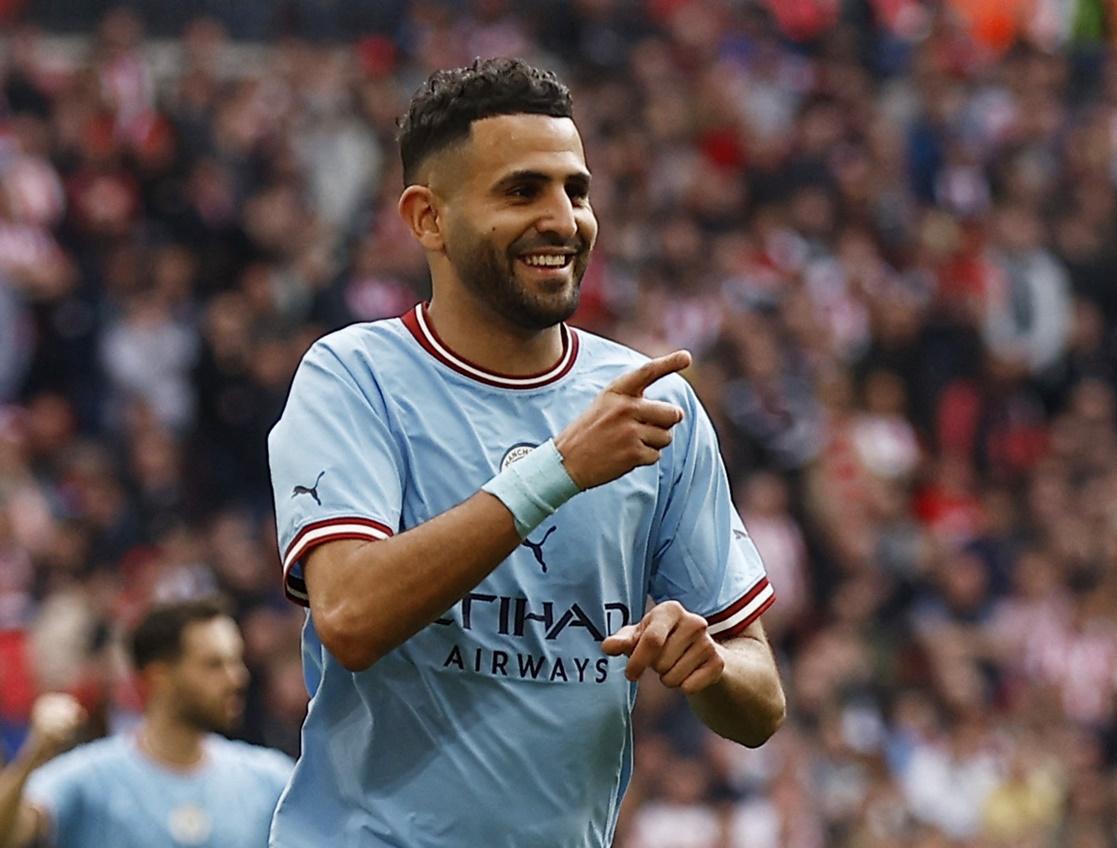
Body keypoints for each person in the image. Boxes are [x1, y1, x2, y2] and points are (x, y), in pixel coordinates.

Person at [267, 57, 786, 847]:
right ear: (427, 218)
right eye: (522, 191)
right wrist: (558, 470)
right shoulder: (355, 378)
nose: (563, 218)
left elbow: (762, 701)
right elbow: (350, 615)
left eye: (575, 190)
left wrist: (708, 664)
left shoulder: (653, 400)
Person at [0, 598, 294, 848]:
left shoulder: (269, 779)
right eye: (214, 665)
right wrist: (34, 754)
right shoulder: (90, 779)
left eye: (236, 661)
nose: (237, 678)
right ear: (159, 677)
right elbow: (8, 835)